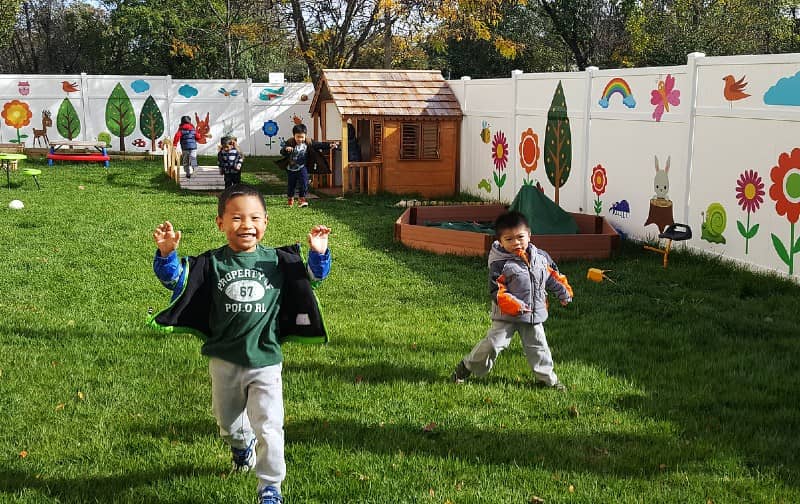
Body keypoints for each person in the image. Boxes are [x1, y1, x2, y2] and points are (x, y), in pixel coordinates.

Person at [149, 184, 332, 504]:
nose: (246, 224)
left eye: (254, 218)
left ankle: (270, 487)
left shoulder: (278, 261)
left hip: (266, 361)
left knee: (270, 427)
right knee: (228, 423)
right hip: (224, 360)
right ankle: (240, 447)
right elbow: (176, 281)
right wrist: (167, 255)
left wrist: (318, 253)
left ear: (266, 222)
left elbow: (313, 277)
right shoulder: (212, 264)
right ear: (220, 223)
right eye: (236, 218)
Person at [451, 211, 573, 390]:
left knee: (539, 348)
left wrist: (563, 292)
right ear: (500, 241)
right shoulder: (499, 263)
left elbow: (552, 276)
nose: (516, 242)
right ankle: (466, 367)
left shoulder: (540, 257)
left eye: (520, 237)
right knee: (492, 345)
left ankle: (548, 381)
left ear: (529, 235)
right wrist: (516, 305)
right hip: (506, 316)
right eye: (509, 239)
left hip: (533, 315)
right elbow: (497, 291)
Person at [277, 123, 337, 208]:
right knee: (291, 185)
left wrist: (329, 145)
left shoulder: (308, 142)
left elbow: (319, 144)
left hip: (302, 167)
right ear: (294, 136)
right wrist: (286, 149)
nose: (300, 139)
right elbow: (282, 151)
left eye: (302, 137)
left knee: (304, 183)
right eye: (298, 137)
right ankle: (290, 198)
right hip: (291, 168)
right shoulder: (290, 142)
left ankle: (302, 199)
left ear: (305, 136)